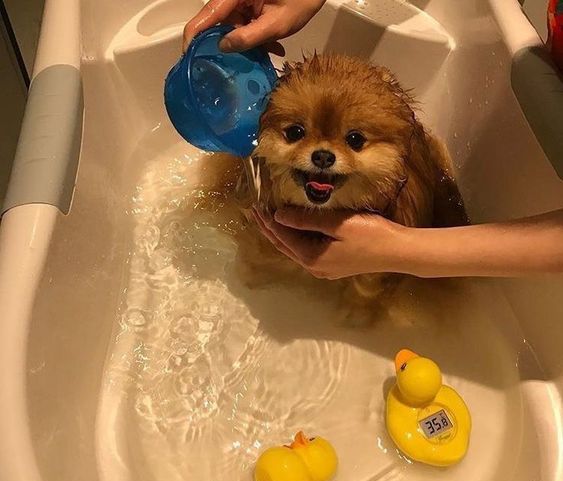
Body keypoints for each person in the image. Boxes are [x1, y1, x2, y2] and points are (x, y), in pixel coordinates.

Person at [183, 0, 563, 279]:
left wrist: (401, 250)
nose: (322, 154)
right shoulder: (257, 167)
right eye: (296, 133)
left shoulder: (408, 187)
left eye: (355, 140)